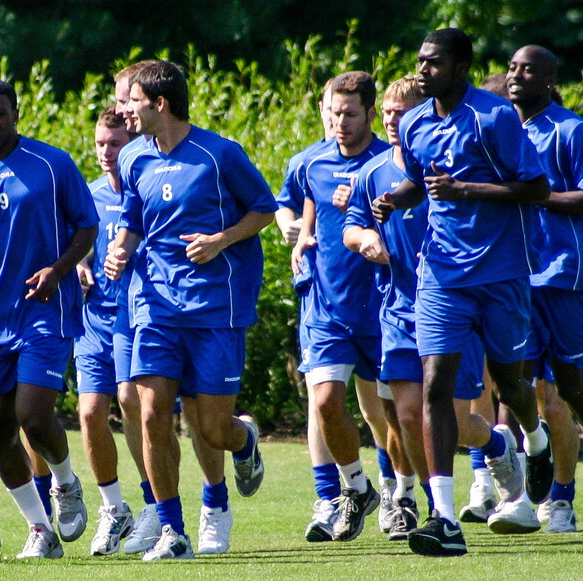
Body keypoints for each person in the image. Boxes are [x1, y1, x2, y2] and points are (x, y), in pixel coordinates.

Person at [373, 29, 553, 556]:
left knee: (511, 383)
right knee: (435, 385)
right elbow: (422, 183)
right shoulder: (414, 122)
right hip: (442, 274)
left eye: (434, 63)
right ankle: (444, 517)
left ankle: (534, 439)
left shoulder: (493, 117)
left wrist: (465, 189)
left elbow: (536, 189)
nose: (423, 70)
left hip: (500, 273)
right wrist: (395, 199)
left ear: (460, 66)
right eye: (421, 61)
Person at [104, 60, 271, 561]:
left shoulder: (220, 155)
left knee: (212, 428)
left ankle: (244, 443)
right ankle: (172, 532)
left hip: (214, 310)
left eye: (131, 101)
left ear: (160, 104)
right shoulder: (132, 158)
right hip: (153, 307)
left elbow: (263, 208)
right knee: (152, 412)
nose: (123, 110)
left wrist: (221, 240)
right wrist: (122, 247)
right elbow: (132, 220)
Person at [343, 75, 515, 542]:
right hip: (398, 309)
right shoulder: (370, 173)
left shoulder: (450, 168)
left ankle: (497, 443)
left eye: (405, 111)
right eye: (390, 113)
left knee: (455, 422)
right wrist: (368, 240)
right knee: (407, 413)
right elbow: (350, 228)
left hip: (451, 301)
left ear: (424, 116)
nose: (395, 120)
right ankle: (433, 509)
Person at [0, 79, 97, 559]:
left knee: (32, 415)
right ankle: (39, 531)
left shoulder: (52, 165)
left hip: (43, 311)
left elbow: (86, 226)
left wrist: (57, 269)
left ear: (16, 114)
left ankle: (67, 482)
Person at [289, 71, 390, 542]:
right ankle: (350, 489)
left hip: (385, 308)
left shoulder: (390, 163)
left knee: (388, 414)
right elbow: (292, 202)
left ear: (371, 113)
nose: (339, 123)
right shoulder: (311, 162)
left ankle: (398, 493)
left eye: (350, 114)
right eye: (332, 114)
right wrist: (297, 231)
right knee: (325, 401)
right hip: (327, 307)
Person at [508, 44, 583, 532]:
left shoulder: (570, 129)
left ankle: (562, 499)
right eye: (512, 67)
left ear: (550, 78)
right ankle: (523, 492)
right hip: (513, 274)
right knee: (515, 385)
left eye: (528, 68)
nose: (516, 75)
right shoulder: (500, 128)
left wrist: (538, 197)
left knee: (569, 392)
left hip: (563, 275)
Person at [74, 107, 137, 556]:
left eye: (114, 144)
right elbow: (77, 243)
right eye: (99, 143)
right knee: (91, 412)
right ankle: (113, 509)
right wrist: (79, 263)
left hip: (136, 319)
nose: (105, 152)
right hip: (93, 322)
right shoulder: (89, 195)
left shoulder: (146, 192)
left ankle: (159, 506)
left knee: (136, 407)